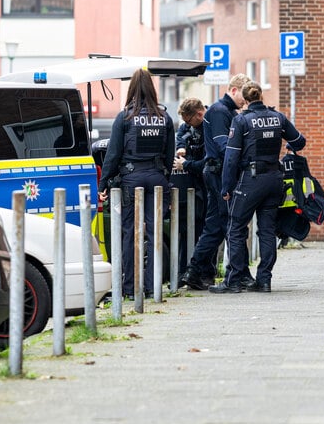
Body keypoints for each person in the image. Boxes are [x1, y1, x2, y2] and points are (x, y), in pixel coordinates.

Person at [211, 82, 306, 293]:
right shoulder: (278, 118)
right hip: (274, 179)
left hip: (250, 181)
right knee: (267, 231)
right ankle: (264, 280)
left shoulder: (241, 120)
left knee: (236, 227)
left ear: (244, 100)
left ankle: (233, 280)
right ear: (261, 95)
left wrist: (226, 187)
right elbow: (299, 141)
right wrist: (289, 147)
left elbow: (231, 158)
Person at [97, 69, 175, 298]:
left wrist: (103, 185)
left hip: (131, 179)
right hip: (157, 178)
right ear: (152, 89)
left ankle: (130, 288)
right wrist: (164, 178)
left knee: (129, 232)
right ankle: (152, 287)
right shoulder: (164, 117)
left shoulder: (125, 117)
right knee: (154, 233)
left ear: (131, 89)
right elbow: (169, 156)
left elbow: (112, 155)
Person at [177, 73, 251, 290]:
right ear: (234, 90)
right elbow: (222, 147)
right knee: (229, 224)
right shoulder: (220, 112)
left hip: (218, 174)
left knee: (218, 226)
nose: (245, 100)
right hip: (219, 175)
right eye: (242, 96)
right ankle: (236, 273)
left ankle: (196, 270)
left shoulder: (226, 111)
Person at [171, 97, 207, 276]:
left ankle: (200, 272)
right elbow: (180, 136)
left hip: (206, 187)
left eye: (189, 120)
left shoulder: (209, 127)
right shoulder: (188, 126)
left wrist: (186, 165)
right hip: (192, 188)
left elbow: (208, 163)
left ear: (199, 115)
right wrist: (181, 147)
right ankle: (186, 272)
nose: (187, 124)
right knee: (187, 232)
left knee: (204, 231)